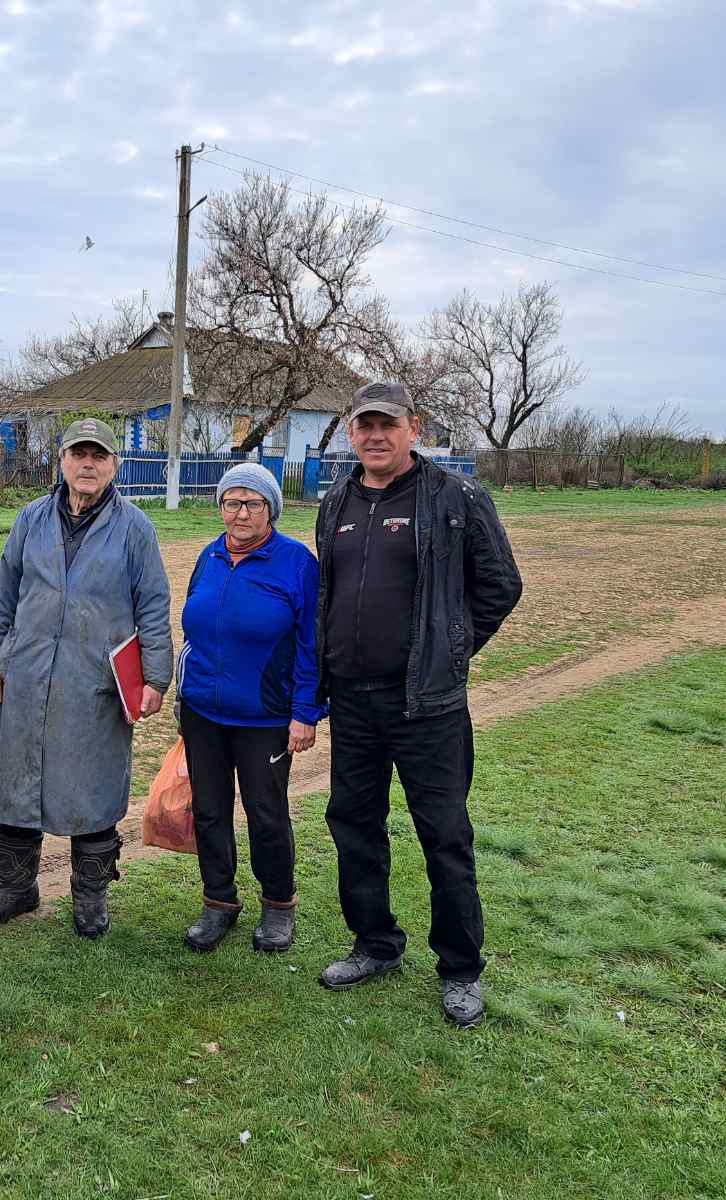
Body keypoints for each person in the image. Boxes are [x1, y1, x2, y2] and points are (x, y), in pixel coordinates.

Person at [315, 382, 522, 1028]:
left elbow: (500, 585)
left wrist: (448, 651)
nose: (375, 435)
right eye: (364, 425)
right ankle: (375, 944)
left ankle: (461, 968)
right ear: (351, 432)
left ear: (414, 427)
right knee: (354, 825)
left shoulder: (456, 498)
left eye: (388, 424)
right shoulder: (338, 500)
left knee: (444, 834)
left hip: (427, 706)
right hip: (353, 702)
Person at [0, 417, 173, 938]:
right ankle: (16, 888)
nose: (88, 464)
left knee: (93, 791)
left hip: (95, 682)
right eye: (78, 454)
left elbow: (153, 604)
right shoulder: (31, 519)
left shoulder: (135, 528)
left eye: (98, 456)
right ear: (61, 461)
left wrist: (155, 677)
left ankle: (89, 897)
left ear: (114, 465)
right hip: (27, 672)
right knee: (16, 786)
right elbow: (6, 594)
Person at [176, 462, 321, 953]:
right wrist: (184, 694)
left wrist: (305, 712)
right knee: (209, 811)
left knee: (267, 813)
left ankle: (279, 904)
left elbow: (312, 646)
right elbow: (193, 632)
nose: (240, 513)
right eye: (231, 502)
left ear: (270, 509)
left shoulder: (296, 562)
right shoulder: (210, 556)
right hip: (203, 712)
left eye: (252, 503)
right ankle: (219, 901)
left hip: (265, 716)